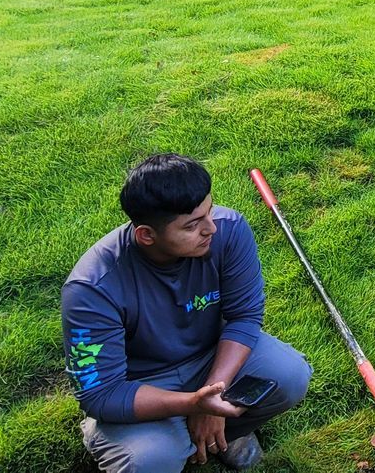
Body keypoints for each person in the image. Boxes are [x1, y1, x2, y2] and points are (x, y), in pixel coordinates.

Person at [63, 154, 312, 471]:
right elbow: (101, 394)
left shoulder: (229, 230)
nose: (210, 228)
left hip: (209, 357)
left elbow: (244, 317)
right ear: (147, 235)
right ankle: (120, 436)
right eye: (192, 225)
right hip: (141, 382)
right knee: (149, 461)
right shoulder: (91, 289)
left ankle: (225, 432)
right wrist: (193, 404)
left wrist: (213, 397)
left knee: (289, 374)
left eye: (208, 211)